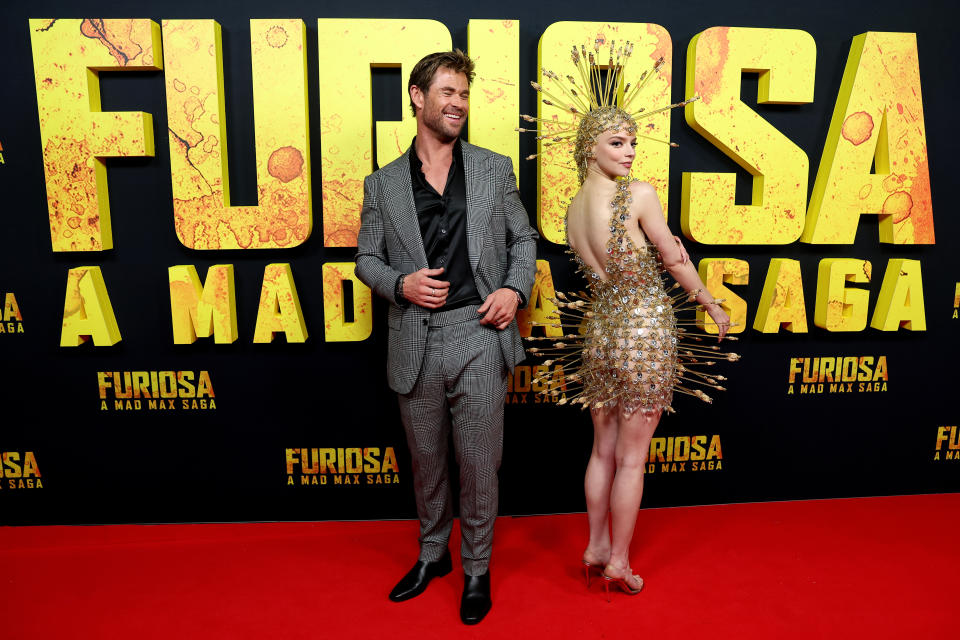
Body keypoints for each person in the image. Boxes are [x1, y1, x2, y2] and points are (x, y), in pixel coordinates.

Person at [523, 43, 736, 601]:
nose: (630, 152)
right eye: (617, 142)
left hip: (598, 333)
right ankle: (618, 560)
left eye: (634, 142)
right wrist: (709, 303)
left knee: (601, 450)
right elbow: (672, 256)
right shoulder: (638, 195)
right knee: (632, 457)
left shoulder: (571, 210)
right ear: (588, 147)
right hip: (643, 332)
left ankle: (594, 546)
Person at [355, 49, 538, 625]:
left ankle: (477, 567)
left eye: (463, 94)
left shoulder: (493, 167)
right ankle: (433, 555)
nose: (458, 104)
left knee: (481, 463)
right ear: (417, 97)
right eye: (448, 93)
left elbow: (524, 240)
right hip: (414, 337)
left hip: (479, 332)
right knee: (427, 460)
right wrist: (400, 283)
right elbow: (365, 259)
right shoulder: (382, 184)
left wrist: (513, 289)